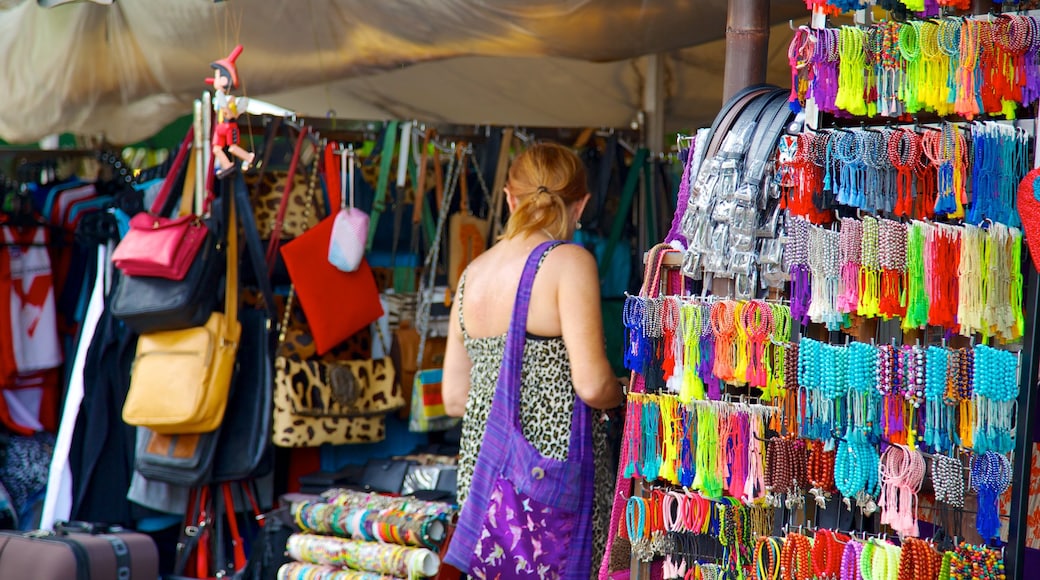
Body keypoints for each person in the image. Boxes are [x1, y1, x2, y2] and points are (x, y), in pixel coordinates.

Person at [442, 142, 625, 577]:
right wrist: (628, 394)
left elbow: (454, 398)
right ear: (580, 204)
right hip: (548, 480)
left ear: (509, 197)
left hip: (485, 483)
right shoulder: (567, 263)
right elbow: (592, 385)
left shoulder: (472, 274)